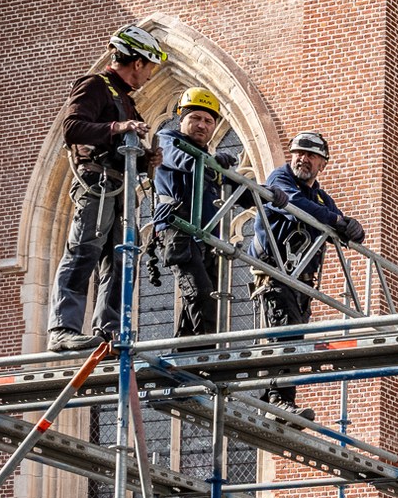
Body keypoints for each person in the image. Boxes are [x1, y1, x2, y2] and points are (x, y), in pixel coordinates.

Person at [48, 26, 166, 353]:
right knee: (83, 249)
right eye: (150, 67)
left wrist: (146, 160)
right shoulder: (95, 85)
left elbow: (120, 147)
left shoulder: (126, 100)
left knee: (118, 259)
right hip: (96, 185)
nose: (150, 76)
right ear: (137, 63)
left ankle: (108, 332)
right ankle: (62, 328)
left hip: (117, 187)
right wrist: (119, 126)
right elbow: (72, 128)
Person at [249, 130, 365, 335]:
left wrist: (354, 230)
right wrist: (334, 220)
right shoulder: (280, 179)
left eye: (310, 155)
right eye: (298, 153)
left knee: (294, 343)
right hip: (276, 276)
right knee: (284, 346)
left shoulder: (320, 198)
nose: (303, 159)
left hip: (301, 284)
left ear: (323, 164)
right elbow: (295, 205)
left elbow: (341, 229)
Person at [153, 87, 234, 340]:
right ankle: (206, 361)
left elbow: (239, 191)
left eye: (208, 121)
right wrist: (210, 163)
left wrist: (270, 196)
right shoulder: (168, 139)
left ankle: (183, 365)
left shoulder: (208, 160)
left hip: (204, 240)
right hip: (178, 231)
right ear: (181, 119)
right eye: (195, 118)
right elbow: (182, 160)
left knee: (198, 305)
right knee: (201, 298)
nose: (202, 125)